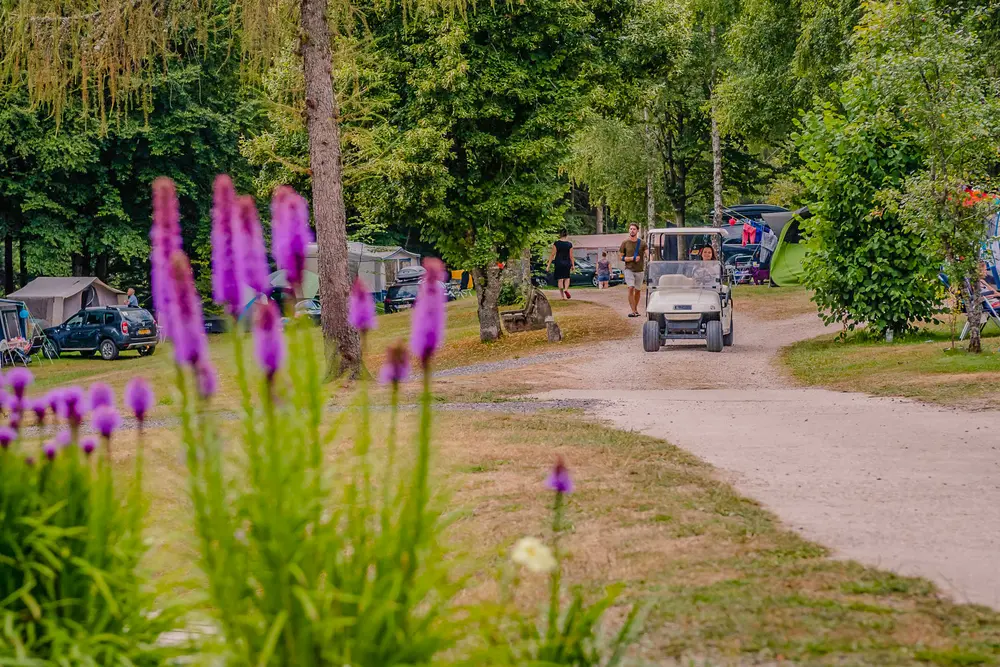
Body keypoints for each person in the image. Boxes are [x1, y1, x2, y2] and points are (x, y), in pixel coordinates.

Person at [619, 223, 645, 317]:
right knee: (631, 288)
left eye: (634, 229)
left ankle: (635, 309)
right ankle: (633, 311)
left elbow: (647, 252)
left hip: (640, 270)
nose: (632, 231)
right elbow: (621, 257)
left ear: (637, 231)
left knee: (637, 291)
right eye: (630, 229)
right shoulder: (625, 243)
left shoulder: (642, 243)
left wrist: (651, 256)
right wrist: (631, 259)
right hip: (629, 269)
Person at [547, 230, 575, 299]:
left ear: (560, 235)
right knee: (567, 278)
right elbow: (571, 256)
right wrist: (573, 265)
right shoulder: (569, 244)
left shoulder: (556, 243)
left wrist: (548, 265)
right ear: (566, 235)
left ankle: (562, 296)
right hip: (567, 263)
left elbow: (552, 254)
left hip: (559, 263)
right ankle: (566, 289)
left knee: (560, 279)